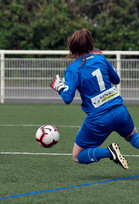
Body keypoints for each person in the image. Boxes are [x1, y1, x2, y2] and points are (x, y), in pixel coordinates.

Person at [50, 28, 139, 170]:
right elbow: (116, 79)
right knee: (133, 136)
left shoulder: (73, 69)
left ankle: (109, 152)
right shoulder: (101, 58)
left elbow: (67, 98)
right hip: (119, 110)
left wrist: (59, 87)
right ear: (90, 44)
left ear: (72, 47)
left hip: (99, 118)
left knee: (77, 156)